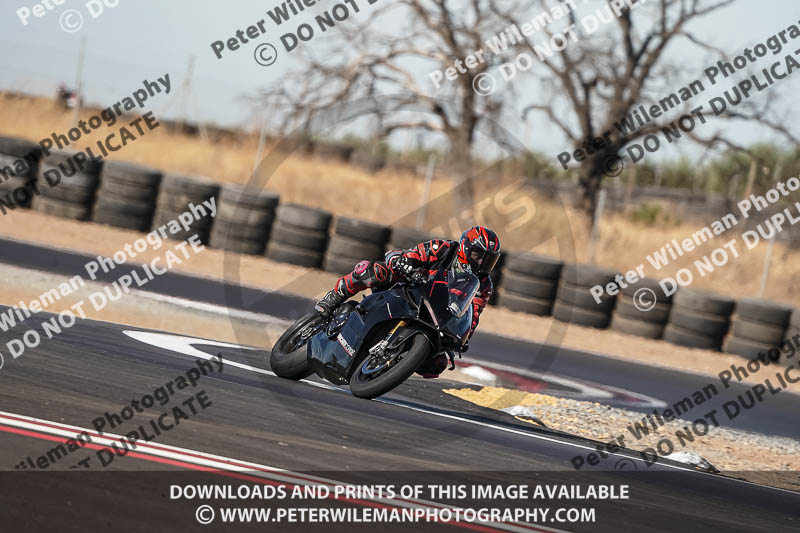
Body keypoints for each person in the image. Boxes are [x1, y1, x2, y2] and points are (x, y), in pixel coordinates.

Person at [314, 226, 501, 378]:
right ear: (465, 247)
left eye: (489, 260)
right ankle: (333, 298)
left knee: (437, 364)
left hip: (435, 313)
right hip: (408, 287)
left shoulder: (483, 284)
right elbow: (410, 254)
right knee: (373, 271)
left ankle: (393, 360)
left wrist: (464, 338)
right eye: (478, 255)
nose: (482, 263)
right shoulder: (444, 249)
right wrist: (404, 262)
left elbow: (474, 312)